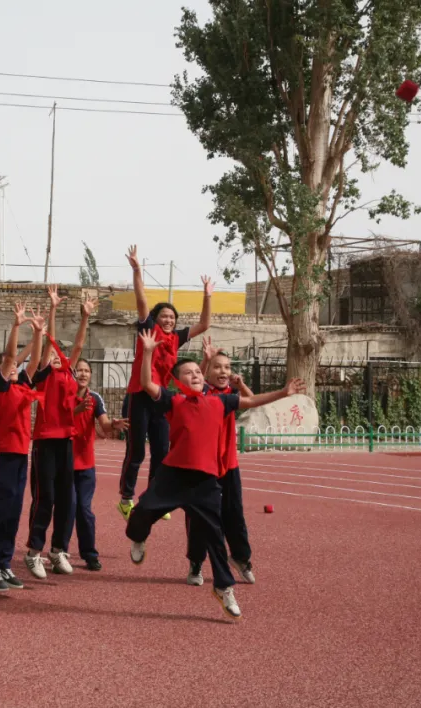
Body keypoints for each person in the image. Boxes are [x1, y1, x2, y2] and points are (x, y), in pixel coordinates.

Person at [125, 328, 304, 619]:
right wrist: (146, 352)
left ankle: (223, 587)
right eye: (189, 373)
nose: (195, 375)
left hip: (205, 481)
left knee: (215, 536)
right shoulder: (173, 401)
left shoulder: (220, 402)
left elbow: (251, 401)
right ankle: (138, 536)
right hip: (172, 475)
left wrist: (284, 393)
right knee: (142, 511)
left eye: (198, 371)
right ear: (177, 381)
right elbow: (146, 383)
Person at [117, 245, 214, 521]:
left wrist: (207, 296)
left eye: (172, 317)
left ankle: (154, 499)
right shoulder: (149, 329)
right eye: (164, 316)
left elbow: (204, 324)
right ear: (156, 319)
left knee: (161, 451)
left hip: (161, 398)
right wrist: (137, 270)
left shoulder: (176, 338)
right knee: (136, 451)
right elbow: (141, 301)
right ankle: (126, 498)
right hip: (139, 395)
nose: (168, 320)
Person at [24, 287, 94, 579]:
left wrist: (85, 316)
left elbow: (78, 345)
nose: (55, 356)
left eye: (58, 354)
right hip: (45, 442)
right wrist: (52, 309)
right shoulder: (44, 374)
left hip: (66, 441)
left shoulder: (69, 372)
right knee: (46, 498)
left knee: (68, 500)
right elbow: (49, 340)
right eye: (51, 353)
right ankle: (33, 552)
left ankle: (57, 550)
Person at [0, 302, 47, 592]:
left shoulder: (23, 388)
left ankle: (5, 563)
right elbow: (10, 357)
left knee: (12, 513)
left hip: (20, 455)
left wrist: (39, 333)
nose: (14, 369)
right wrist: (17, 325)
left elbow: (34, 362)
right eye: (7, 368)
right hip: (0, 455)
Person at [185, 338, 255, 587]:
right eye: (217, 367)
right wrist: (205, 360)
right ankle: (196, 563)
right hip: (203, 467)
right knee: (200, 518)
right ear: (208, 373)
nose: (223, 371)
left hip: (229, 465)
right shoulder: (202, 393)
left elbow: (252, 401)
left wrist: (241, 384)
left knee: (234, 514)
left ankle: (240, 558)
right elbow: (194, 384)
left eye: (227, 367)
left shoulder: (231, 395)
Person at [67, 356, 128, 571]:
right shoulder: (64, 395)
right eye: (79, 370)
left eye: (86, 370)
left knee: (84, 510)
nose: (83, 374)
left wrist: (114, 424)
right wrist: (75, 410)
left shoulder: (94, 398)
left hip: (86, 464)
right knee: (68, 508)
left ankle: (90, 554)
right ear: (71, 374)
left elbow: (104, 424)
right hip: (64, 463)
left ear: (91, 375)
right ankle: (60, 551)